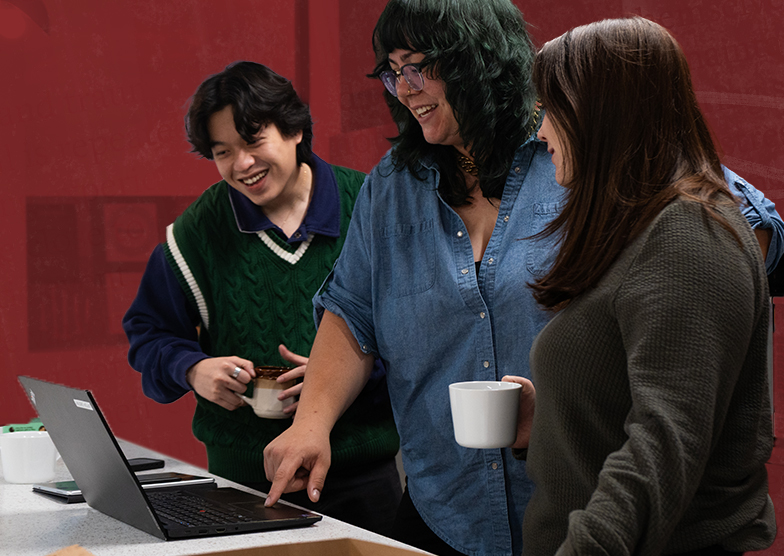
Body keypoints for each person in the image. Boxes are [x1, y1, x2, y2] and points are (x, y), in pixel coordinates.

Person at [262, 2, 783, 555]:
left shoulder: (597, 156)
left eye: (417, 66)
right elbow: (353, 309)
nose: (403, 89)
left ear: (477, 60)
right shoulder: (392, 186)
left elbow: (733, 227)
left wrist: (683, 332)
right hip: (448, 508)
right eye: (392, 73)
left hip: (602, 507)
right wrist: (311, 424)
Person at [511, 17, 776, 555]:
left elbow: (663, 447)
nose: (540, 133)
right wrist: (556, 416)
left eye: (551, 111)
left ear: (602, 113)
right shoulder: (642, 226)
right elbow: (641, 398)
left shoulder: (690, 234)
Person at [122, 61, 401, 536]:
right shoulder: (199, 230)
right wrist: (192, 369)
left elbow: (424, 335)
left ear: (294, 130)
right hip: (240, 484)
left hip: (364, 477)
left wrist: (337, 377)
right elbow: (147, 335)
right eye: (223, 152)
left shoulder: (373, 204)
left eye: (253, 142)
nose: (241, 165)